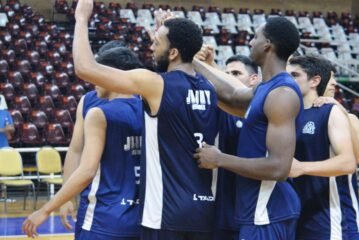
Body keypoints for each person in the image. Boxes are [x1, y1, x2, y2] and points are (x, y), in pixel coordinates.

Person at [73, 1, 219, 239]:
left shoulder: (156, 85)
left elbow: (84, 68)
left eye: (156, 42)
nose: (151, 47)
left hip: (165, 211)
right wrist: (167, 34)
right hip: (204, 209)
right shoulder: (211, 87)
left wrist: (81, 19)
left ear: (173, 53)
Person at [194, 17, 303, 239]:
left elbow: (279, 168)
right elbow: (230, 96)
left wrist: (220, 159)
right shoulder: (265, 88)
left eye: (255, 37)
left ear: (268, 44)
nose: (250, 42)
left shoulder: (282, 93)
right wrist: (191, 58)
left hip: (267, 211)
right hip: (257, 210)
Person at [22, 47, 144, 239]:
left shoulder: (100, 113)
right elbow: (75, 150)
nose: (92, 80)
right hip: (143, 218)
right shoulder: (151, 110)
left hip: (103, 215)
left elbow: (87, 170)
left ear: (109, 75)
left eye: (97, 73)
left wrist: (46, 209)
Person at [59, 40, 127, 231]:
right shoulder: (88, 101)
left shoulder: (142, 97)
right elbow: (75, 150)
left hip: (135, 198)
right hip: (95, 198)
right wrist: (66, 197)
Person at [286, 55, 356, 239]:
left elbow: (348, 162)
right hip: (292, 212)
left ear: (315, 81)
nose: (287, 80)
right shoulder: (287, 114)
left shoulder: (330, 112)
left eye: (294, 75)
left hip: (324, 216)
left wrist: (302, 168)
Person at [313, 66, 359, 239]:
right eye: (330, 77)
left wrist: (342, 114)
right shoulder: (293, 116)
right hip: (300, 215)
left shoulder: (348, 119)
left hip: (341, 217)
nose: (335, 83)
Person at [214, 55, 259, 240]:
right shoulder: (221, 106)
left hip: (255, 208)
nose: (230, 77)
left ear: (253, 79)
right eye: (226, 74)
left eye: (236, 73)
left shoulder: (264, 109)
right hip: (223, 208)